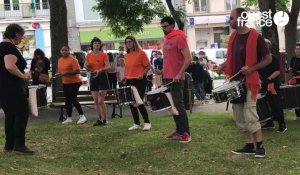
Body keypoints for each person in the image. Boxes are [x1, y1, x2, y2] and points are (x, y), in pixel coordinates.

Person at [217, 8, 272, 158]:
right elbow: (232, 59)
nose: (230, 21)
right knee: (240, 116)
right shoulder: (233, 37)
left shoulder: (256, 36)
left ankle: (260, 146)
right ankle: (248, 145)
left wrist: (252, 68)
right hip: (235, 83)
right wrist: (222, 66)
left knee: (250, 115)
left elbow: (268, 59)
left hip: (250, 82)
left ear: (241, 18)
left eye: (231, 18)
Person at [157, 16, 192, 143]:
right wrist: (161, 71)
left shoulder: (179, 37)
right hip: (167, 77)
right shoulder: (166, 40)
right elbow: (169, 60)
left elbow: (188, 59)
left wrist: (179, 74)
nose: (164, 29)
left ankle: (186, 133)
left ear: (172, 25)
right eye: (162, 27)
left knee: (178, 105)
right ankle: (178, 130)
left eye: (166, 26)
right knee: (172, 106)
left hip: (176, 78)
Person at [0, 24, 34, 155]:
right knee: (22, 113)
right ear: (16, 34)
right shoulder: (9, 47)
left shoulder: (1, 47)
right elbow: (9, 66)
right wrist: (23, 76)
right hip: (12, 88)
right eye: (21, 35)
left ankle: (9, 145)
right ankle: (19, 145)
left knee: (10, 116)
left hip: (3, 88)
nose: (21, 39)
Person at [258, 39, 287, 132]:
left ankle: (282, 124)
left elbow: (277, 71)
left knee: (276, 104)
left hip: (272, 84)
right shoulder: (261, 59)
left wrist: (268, 79)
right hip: (264, 84)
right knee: (267, 104)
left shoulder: (272, 58)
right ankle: (269, 122)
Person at [124, 36, 152, 131]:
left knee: (138, 102)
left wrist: (142, 74)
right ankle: (136, 123)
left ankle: (147, 122)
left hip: (139, 80)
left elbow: (148, 66)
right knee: (131, 103)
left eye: (130, 42)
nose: (128, 44)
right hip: (129, 80)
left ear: (134, 42)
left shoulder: (141, 53)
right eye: (126, 42)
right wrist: (125, 76)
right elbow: (128, 68)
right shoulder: (126, 55)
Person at [84, 37, 111, 126]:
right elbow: (86, 67)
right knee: (96, 101)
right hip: (93, 77)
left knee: (100, 101)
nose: (97, 44)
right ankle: (99, 118)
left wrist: (100, 70)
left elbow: (108, 67)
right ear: (92, 45)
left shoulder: (103, 55)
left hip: (102, 77)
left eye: (98, 43)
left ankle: (105, 119)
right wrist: (87, 66)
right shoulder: (88, 55)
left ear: (100, 45)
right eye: (95, 43)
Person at [57, 45, 87, 125]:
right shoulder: (59, 60)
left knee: (73, 99)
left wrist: (67, 73)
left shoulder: (73, 60)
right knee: (67, 100)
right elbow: (60, 71)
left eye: (66, 50)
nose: (64, 51)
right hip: (65, 82)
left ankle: (82, 116)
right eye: (62, 50)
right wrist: (59, 76)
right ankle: (69, 117)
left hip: (75, 82)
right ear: (60, 51)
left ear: (68, 51)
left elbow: (77, 71)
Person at [288, 43, 300, 120]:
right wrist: (288, 70)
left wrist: (294, 70)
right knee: (296, 97)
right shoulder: (293, 59)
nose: (297, 51)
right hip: (295, 80)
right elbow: (290, 68)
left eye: (299, 49)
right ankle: (298, 115)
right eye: (296, 49)